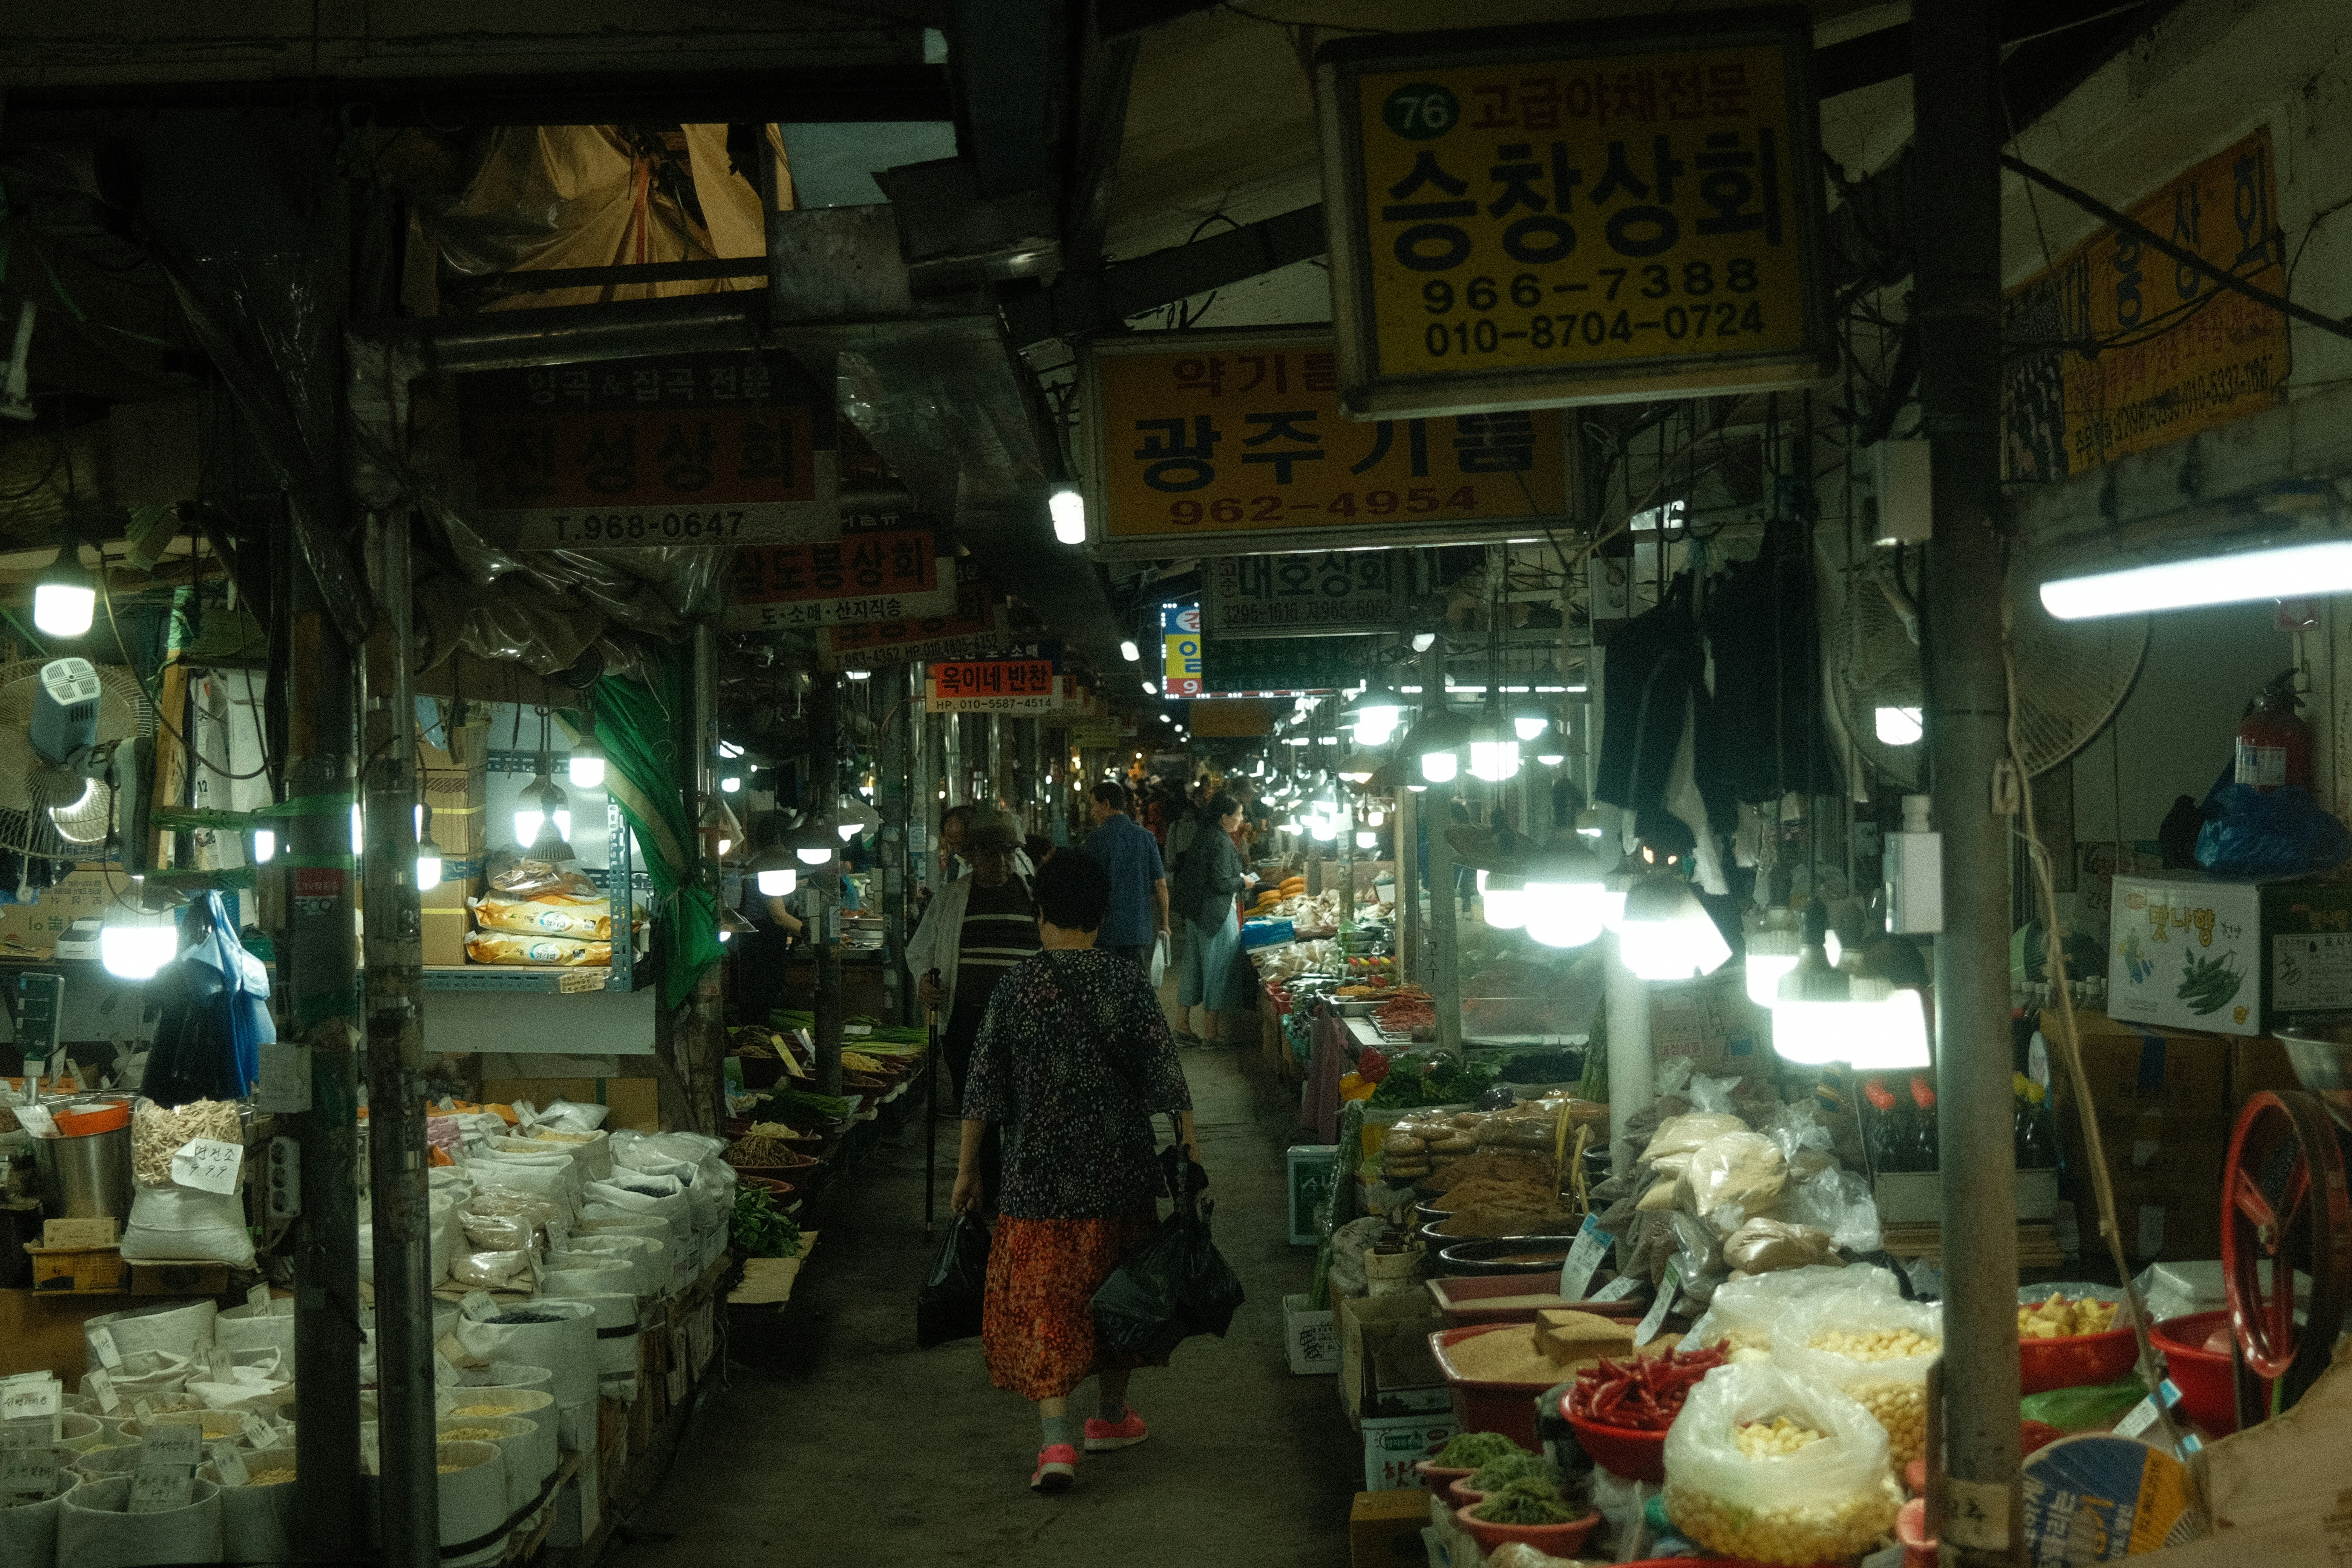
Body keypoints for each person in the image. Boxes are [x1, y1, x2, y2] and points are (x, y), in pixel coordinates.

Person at [952, 850, 1199, 1493]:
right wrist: (1192, 1161)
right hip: (1120, 1174)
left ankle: (1055, 1444)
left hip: (1035, 1182)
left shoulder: (1016, 987)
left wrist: (966, 1172)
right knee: (1118, 1294)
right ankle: (1110, 1418)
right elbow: (1169, 1085)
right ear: (1103, 913)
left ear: (1040, 914)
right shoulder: (1126, 983)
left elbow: (981, 1091)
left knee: (1046, 1305)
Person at [906, 810, 1038, 1201]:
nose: (999, 863)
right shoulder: (951, 898)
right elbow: (921, 952)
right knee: (976, 1111)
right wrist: (925, 983)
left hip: (1025, 1022)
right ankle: (984, 1192)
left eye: (1006, 854)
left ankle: (1019, 1194)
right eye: (988, 854)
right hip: (967, 1018)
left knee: (1021, 1108)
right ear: (970, 857)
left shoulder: (1035, 895)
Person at [1168, 792, 1256, 1047]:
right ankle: (1211, 1034)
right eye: (1238, 815)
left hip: (1197, 914)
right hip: (1215, 915)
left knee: (1193, 970)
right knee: (1219, 970)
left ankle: (1182, 1026)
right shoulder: (1219, 840)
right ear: (1224, 816)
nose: (1241, 820)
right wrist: (1244, 882)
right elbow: (1220, 882)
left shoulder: (1205, 835)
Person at [1081, 782, 1168, 972]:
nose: (1093, 812)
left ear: (1106, 804)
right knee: (1135, 986)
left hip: (1105, 931)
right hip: (1138, 928)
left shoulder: (1094, 840)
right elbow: (1161, 884)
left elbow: (1087, 886)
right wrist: (1165, 923)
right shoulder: (1146, 837)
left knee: (1106, 986)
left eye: (1094, 806)